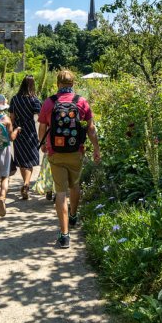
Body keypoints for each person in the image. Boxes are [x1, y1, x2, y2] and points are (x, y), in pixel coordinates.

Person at [37, 70, 100, 248]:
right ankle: (73, 216)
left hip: (55, 153)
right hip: (76, 151)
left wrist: (43, 144)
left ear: (58, 84)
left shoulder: (50, 102)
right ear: (73, 84)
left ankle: (64, 235)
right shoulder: (81, 102)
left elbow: (42, 126)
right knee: (75, 185)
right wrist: (96, 148)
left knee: (61, 192)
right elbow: (91, 128)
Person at [9, 75, 42, 200]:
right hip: (30, 132)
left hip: (18, 131)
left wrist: (11, 130)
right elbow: (41, 117)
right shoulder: (34, 100)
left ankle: (25, 184)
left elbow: (11, 117)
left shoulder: (14, 99)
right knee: (30, 160)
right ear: (32, 85)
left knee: (22, 160)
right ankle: (26, 184)